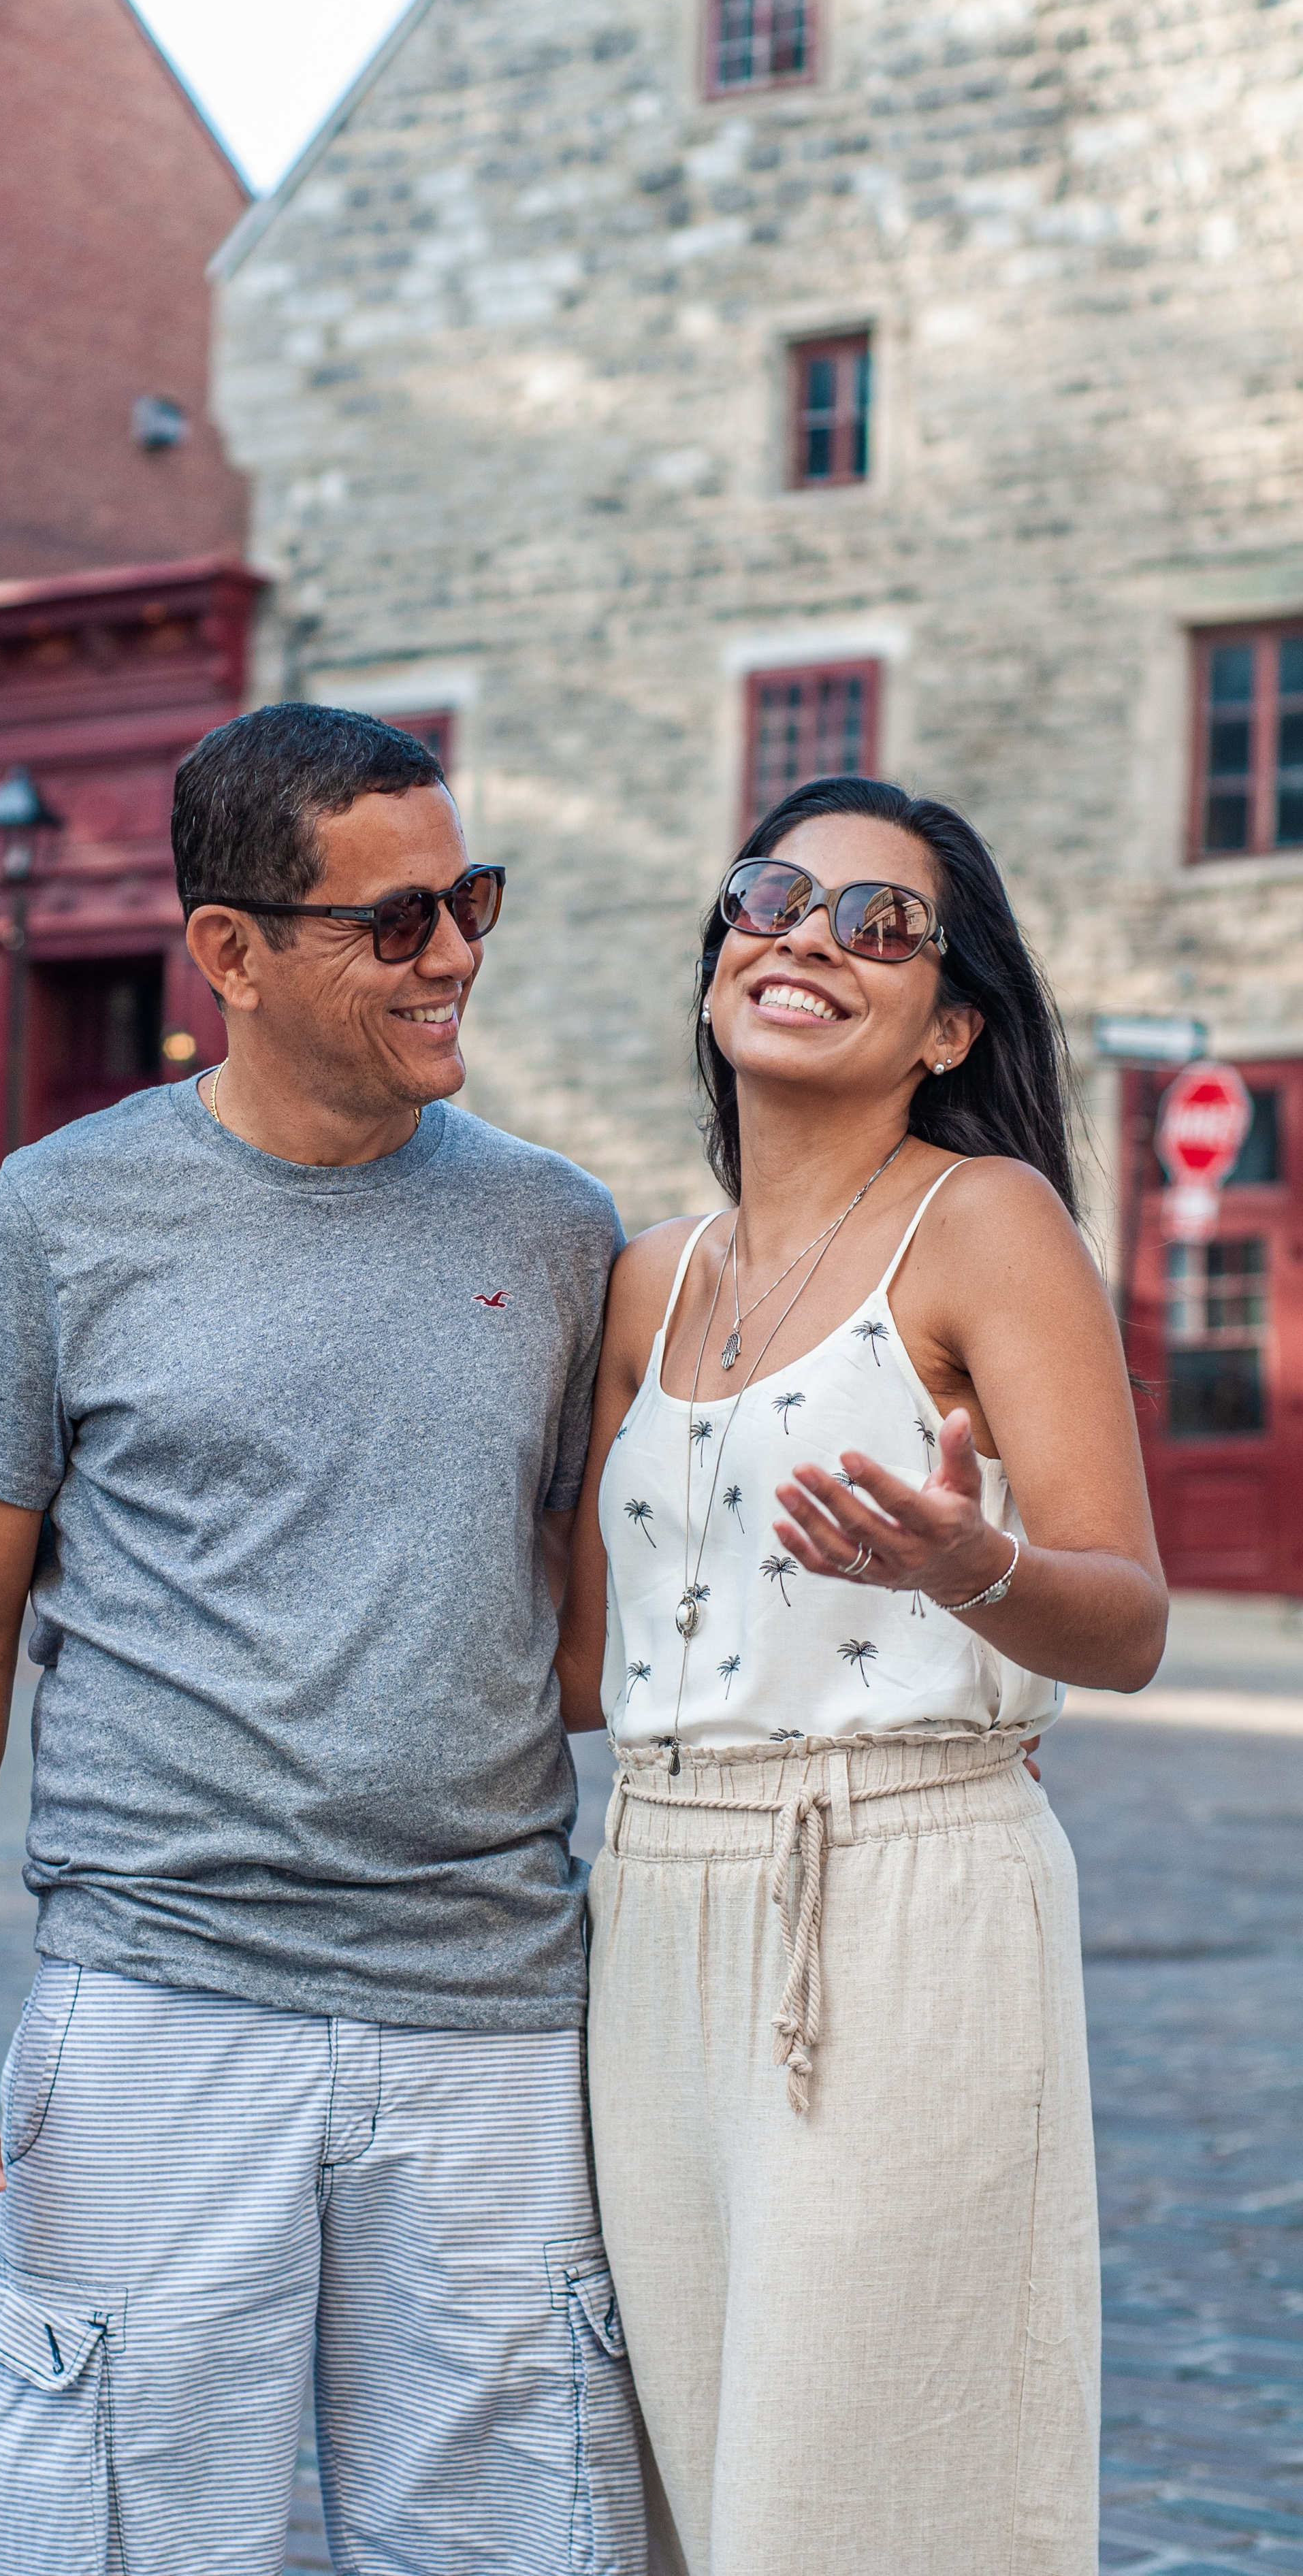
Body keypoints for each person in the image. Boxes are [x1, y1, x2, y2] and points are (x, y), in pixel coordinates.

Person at [0, 703, 646, 2576]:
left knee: (525, 2546)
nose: (453, 953)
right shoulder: (64, 1215)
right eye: (393, 923)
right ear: (229, 952)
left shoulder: (557, 1232)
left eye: (470, 899)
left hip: (497, 2019)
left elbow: (588, 1649)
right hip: (159, 2004)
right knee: (117, 2537)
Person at [555, 775, 1167, 2576]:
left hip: (893, 1903)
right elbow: (584, 1670)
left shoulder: (983, 1226)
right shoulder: (645, 1285)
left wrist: (966, 1565)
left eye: (880, 922)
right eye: (773, 895)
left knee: (864, 2506)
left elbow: (1124, 1617)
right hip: (652, 1903)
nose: (811, 934)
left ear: (948, 1020)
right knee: (692, 2486)